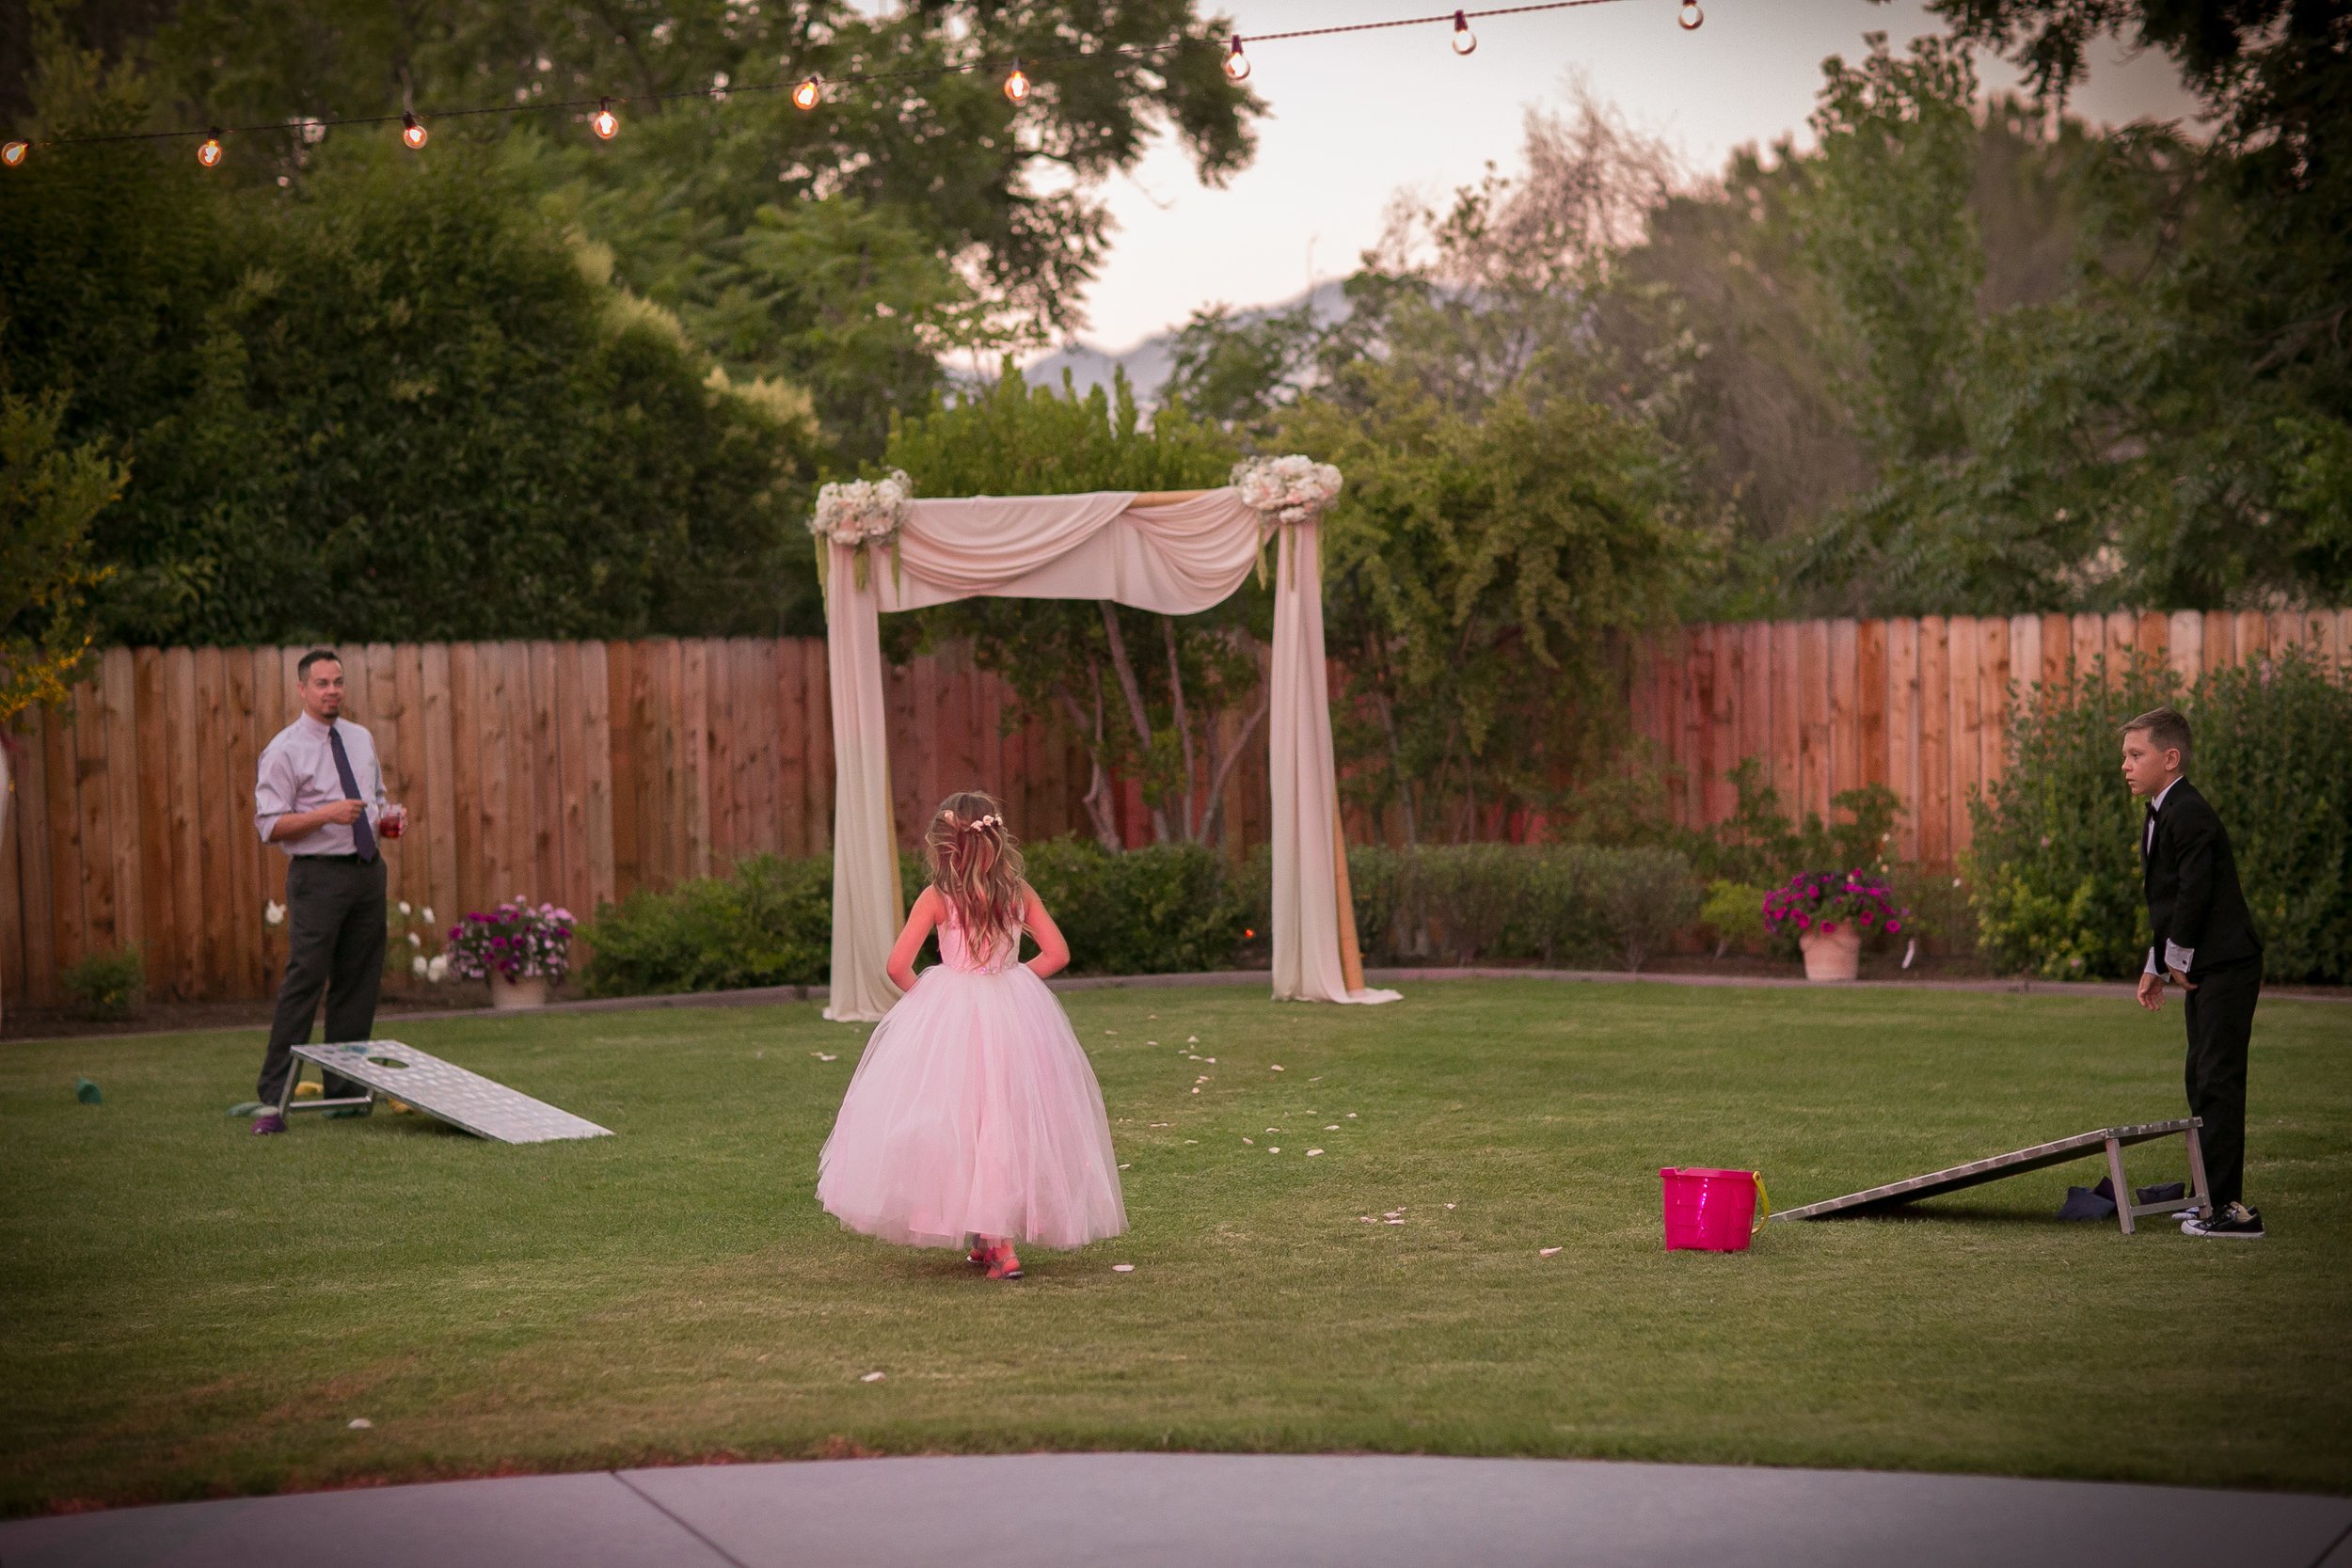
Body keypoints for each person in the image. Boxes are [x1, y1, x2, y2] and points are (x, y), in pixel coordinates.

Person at [816, 790, 1126, 1278]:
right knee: (1001, 1115)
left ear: (945, 845)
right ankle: (986, 1239)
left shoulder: (937, 898)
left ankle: (1002, 1248)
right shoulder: (1018, 894)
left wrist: (935, 1002)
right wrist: (1014, 981)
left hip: (955, 1019)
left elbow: (897, 966)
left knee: (961, 1119)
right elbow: (1057, 953)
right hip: (1013, 1014)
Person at [2122, 705, 2265, 1238]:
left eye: (2137, 755)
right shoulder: (2162, 808)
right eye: (2126, 756)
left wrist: (2175, 959)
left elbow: (2196, 893)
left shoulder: (2190, 812)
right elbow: (2167, 901)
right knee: (2199, 1076)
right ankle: (2207, 1196)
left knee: (2219, 1080)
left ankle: (2230, 1210)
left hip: (2226, 964)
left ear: (2171, 757)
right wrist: (2156, 964)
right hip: (2202, 967)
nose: (2127, 766)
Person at [246, 649, 401, 1135]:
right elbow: (270, 826)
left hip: (365, 872)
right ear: (302, 689)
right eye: (321, 683)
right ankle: (273, 1092)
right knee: (306, 980)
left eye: (337, 682)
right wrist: (325, 815)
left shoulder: (360, 738)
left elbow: (373, 799)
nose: (331, 690)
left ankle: (347, 1090)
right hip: (317, 877)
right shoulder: (284, 750)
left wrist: (388, 817)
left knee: (358, 983)